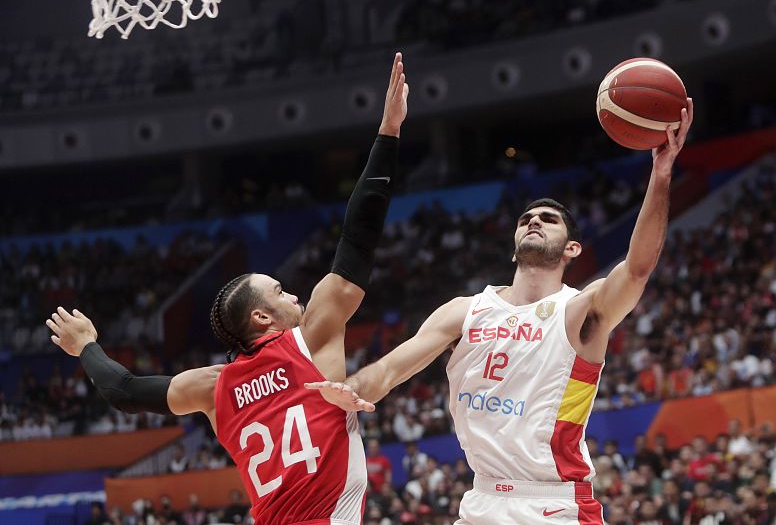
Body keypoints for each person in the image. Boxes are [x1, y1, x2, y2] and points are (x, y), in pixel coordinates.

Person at [46, 52, 410, 525]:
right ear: (261, 317)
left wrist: (87, 346)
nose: (294, 296)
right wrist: (389, 132)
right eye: (280, 292)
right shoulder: (310, 339)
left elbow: (123, 389)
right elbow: (358, 236)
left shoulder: (211, 388)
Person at [308, 100, 694, 524]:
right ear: (514, 247)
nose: (534, 221)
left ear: (572, 249)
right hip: (483, 500)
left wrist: (661, 174)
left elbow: (638, 269)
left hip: (555, 502)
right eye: (526, 218)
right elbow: (387, 373)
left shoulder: (581, 309)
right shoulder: (464, 311)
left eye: (548, 219)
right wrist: (349, 390)